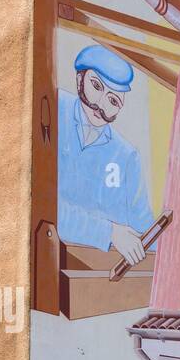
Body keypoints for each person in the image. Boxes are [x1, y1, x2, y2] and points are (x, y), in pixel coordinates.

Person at [58, 45, 156, 269]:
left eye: (113, 101)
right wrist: (110, 233)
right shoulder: (52, 109)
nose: (101, 104)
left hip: (101, 278)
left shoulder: (126, 156)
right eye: (96, 86)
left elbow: (143, 227)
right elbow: (42, 208)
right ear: (80, 78)